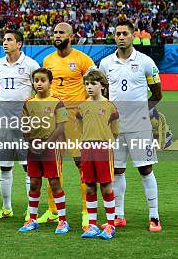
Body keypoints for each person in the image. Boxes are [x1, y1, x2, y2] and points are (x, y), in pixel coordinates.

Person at [99, 20, 163, 232]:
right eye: (118, 33)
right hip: (114, 127)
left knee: (145, 168)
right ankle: (119, 214)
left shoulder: (145, 62)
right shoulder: (106, 63)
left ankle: (154, 216)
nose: (120, 37)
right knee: (117, 170)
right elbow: (103, 93)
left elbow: (157, 94)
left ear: (133, 35)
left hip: (139, 126)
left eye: (125, 33)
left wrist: (142, 111)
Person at [42, 22, 94, 228]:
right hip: (54, 119)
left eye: (61, 32)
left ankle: (85, 211)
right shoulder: (48, 60)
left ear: (71, 36)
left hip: (76, 119)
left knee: (81, 163)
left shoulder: (83, 60)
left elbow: (98, 84)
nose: (56, 35)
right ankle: (53, 210)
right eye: (54, 32)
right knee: (52, 164)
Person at [0, 30, 39, 219]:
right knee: (5, 166)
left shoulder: (31, 64)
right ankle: (7, 208)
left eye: (9, 39)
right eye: (3, 39)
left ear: (19, 44)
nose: (5, 42)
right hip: (3, 122)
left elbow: (40, 88)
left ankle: (31, 210)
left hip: (24, 124)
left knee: (28, 167)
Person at [18, 68, 70, 234]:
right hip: (33, 148)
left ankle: (62, 220)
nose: (39, 83)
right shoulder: (28, 103)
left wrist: (46, 144)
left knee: (54, 183)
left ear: (50, 83)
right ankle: (32, 219)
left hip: (51, 148)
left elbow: (61, 127)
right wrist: (30, 144)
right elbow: (24, 126)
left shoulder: (57, 102)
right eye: (36, 80)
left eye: (42, 80)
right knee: (34, 183)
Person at [77, 69, 119, 240]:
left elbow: (115, 131)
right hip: (87, 149)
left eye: (93, 84)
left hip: (103, 149)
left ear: (102, 85)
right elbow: (80, 127)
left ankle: (110, 225)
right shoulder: (82, 106)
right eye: (87, 84)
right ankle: (92, 225)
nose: (89, 87)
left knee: (106, 186)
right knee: (89, 186)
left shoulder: (109, 106)